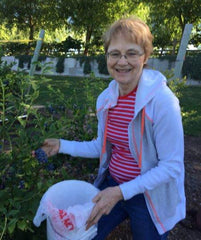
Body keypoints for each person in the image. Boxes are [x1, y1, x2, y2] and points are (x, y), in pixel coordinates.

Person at [32, 17, 185, 240]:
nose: (122, 61)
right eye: (114, 53)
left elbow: (171, 166)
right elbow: (100, 146)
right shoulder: (107, 99)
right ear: (107, 57)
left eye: (131, 53)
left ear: (145, 56)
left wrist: (121, 192)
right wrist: (61, 145)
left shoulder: (162, 102)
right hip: (112, 184)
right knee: (84, 234)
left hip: (148, 195)